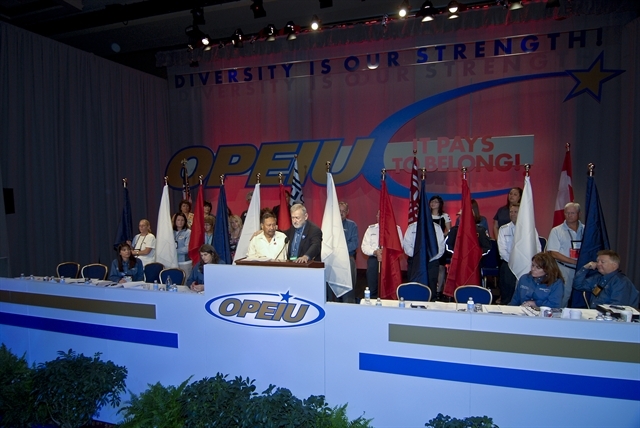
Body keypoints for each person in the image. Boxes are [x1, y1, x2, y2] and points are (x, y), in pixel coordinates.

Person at [497, 204, 541, 305]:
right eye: (511, 212)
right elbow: (502, 251)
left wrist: (532, 262)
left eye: (515, 212)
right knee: (507, 295)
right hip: (508, 264)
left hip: (527, 264)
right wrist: (515, 261)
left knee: (525, 293)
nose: (512, 214)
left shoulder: (530, 229)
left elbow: (537, 247)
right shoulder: (503, 229)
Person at [547, 202, 584, 307]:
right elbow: (554, 253)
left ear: (579, 214)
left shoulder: (586, 230)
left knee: (580, 298)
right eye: (567, 213)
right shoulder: (557, 231)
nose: (569, 215)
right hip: (564, 269)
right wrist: (574, 262)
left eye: (572, 213)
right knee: (563, 297)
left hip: (582, 269)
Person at [573, 250, 639, 308]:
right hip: (595, 313)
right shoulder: (598, 278)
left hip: (610, 316)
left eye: (602, 262)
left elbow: (617, 307)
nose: (598, 264)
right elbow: (578, 285)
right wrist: (585, 268)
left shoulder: (621, 282)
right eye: (597, 261)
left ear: (614, 265)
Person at [361, 210, 403, 299]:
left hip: (390, 261)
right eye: (378, 215)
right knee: (372, 287)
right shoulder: (371, 229)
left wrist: (386, 252)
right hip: (374, 260)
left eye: (383, 215)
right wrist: (375, 252)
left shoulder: (396, 229)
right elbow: (364, 247)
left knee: (389, 288)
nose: (380, 217)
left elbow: (400, 246)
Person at [402, 220, 445, 299]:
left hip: (431, 263)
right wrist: (420, 256)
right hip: (415, 262)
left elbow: (441, 248)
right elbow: (407, 246)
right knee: (414, 287)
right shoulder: (412, 227)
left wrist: (428, 257)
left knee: (431, 288)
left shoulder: (437, 228)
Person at [430, 195, 451, 299]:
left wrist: (441, 237)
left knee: (441, 267)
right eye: (431, 201)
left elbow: (449, 230)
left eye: (435, 202)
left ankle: (439, 291)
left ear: (440, 204)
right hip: (429, 244)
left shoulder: (444, 216)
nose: (433, 203)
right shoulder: (426, 215)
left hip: (440, 244)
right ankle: (430, 288)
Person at [338, 201, 359, 303]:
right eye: (339, 210)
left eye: (343, 211)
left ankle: (348, 306)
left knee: (348, 291)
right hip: (333, 260)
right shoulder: (329, 225)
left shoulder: (352, 225)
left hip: (347, 259)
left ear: (347, 212)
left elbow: (354, 244)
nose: (341, 213)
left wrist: (340, 249)